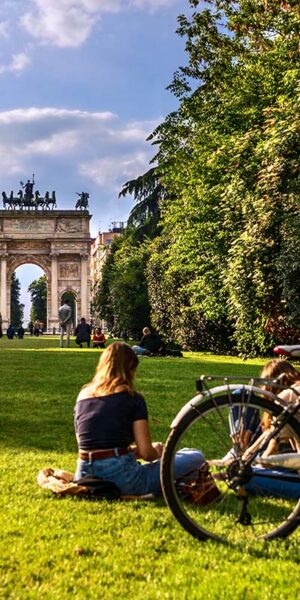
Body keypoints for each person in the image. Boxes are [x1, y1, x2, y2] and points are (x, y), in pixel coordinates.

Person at [74, 342, 205, 495]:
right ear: (130, 369)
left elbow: (90, 443)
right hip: (123, 478)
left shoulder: (83, 396)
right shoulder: (132, 399)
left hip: (83, 474)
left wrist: (131, 452)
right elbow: (147, 454)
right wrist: (156, 451)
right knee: (195, 456)